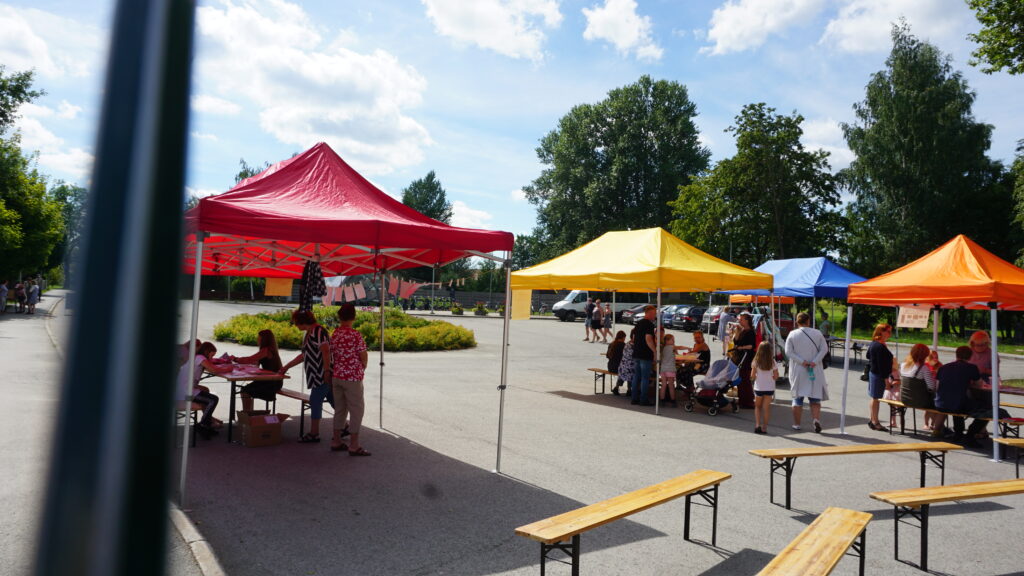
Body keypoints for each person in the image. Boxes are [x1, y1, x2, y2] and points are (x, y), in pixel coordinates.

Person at [280, 309, 336, 443]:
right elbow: (304, 355)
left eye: (296, 322)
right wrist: (286, 367)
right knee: (334, 401)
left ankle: (314, 433)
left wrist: (327, 371)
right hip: (317, 374)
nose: (295, 325)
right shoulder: (310, 333)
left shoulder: (318, 331)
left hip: (321, 374)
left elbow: (326, 351)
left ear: (302, 321)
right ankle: (344, 426)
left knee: (315, 401)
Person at [329, 303, 370, 455]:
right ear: (354, 317)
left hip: (337, 375)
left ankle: (336, 440)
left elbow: (331, 352)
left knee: (340, 409)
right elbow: (363, 355)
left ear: (339, 317)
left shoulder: (335, 334)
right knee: (356, 410)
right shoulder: (355, 335)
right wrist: (362, 367)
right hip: (352, 377)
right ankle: (354, 445)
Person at [935, 346, 989, 447]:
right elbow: (979, 385)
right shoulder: (971, 368)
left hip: (940, 403)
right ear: (970, 356)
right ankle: (970, 435)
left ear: (956, 355)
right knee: (987, 411)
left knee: (957, 401)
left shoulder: (943, 367)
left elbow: (937, 387)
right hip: (957, 404)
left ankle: (958, 433)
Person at [178, 341, 233, 438]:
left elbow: (212, 364)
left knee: (206, 391)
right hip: (185, 392)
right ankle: (203, 425)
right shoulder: (200, 358)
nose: (211, 358)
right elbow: (214, 370)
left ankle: (207, 423)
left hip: (185, 388)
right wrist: (228, 369)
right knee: (213, 399)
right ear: (206, 351)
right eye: (211, 355)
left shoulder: (197, 357)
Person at [785, 312, 828, 432]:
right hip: (814, 369)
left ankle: (797, 424)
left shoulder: (792, 334)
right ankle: (816, 419)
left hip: (798, 370)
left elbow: (788, 352)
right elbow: (824, 349)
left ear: (797, 322)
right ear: (808, 321)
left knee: (797, 399)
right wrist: (814, 361)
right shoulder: (817, 333)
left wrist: (802, 361)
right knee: (815, 398)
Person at [232, 329, 284, 413]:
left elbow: (250, 359)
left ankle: (247, 414)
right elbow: (254, 362)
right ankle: (248, 413)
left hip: (272, 382)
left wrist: (235, 359)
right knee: (246, 390)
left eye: (259, 338)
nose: (257, 340)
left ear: (264, 339)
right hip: (269, 380)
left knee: (245, 391)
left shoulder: (266, 350)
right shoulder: (270, 349)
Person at [898, 343, 942, 434]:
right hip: (919, 401)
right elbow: (932, 387)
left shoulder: (903, 365)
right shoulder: (923, 368)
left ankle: (935, 426)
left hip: (904, 399)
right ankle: (939, 428)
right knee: (941, 403)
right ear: (925, 355)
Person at [866, 323, 896, 432]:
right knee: (876, 399)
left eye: (890, 331)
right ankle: (875, 422)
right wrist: (887, 381)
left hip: (874, 373)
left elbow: (868, 355)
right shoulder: (879, 346)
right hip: (878, 375)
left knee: (874, 398)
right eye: (888, 331)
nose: (890, 334)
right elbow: (881, 366)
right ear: (881, 332)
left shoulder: (875, 343)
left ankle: (872, 420)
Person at [630, 305, 658, 406]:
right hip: (645, 354)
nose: (655, 316)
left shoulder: (639, 323)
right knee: (645, 378)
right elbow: (648, 339)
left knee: (636, 377)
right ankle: (643, 399)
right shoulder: (649, 325)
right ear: (649, 313)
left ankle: (634, 398)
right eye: (654, 314)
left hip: (637, 353)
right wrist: (654, 351)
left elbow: (633, 338)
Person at [752, 341, 778, 434]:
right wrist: (771, 378)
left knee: (758, 407)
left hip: (759, 387)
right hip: (769, 388)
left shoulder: (756, 361)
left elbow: (752, 375)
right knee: (766, 408)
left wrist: (756, 377)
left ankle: (757, 425)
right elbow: (776, 376)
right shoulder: (773, 362)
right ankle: (764, 427)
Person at [733, 312, 757, 409]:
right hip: (740, 358)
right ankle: (742, 399)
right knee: (740, 379)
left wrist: (741, 347)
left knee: (745, 379)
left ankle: (748, 401)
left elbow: (751, 346)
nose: (739, 321)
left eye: (741, 319)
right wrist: (737, 331)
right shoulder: (742, 330)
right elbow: (736, 341)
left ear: (747, 321)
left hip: (746, 358)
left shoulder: (750, 332)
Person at [658, 333, 684, 407]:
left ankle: (662, 400)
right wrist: (688, 348)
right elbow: (680, 348)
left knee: (663, 385)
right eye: (672, 339)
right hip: (670, 369)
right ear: (667, 341)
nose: (674, 341)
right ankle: (673, 401)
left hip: (663, 369)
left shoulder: (663, 348)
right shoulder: (672, 347)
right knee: (671, 385)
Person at [615, 328, 635, 397]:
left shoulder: (627, 343)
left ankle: (616, 387)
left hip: (622, 365)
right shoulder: (633, 345)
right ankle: (629, 390)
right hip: (629, 366)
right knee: (631, 372)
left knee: (623, 374)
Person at [606, 330, 626, 395]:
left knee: (624, 370)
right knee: (628, 371)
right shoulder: (624, 345)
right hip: (618, 368)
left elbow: (607, 356)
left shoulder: (611, 344)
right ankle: (628, 389)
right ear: (623, 337)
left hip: (610, 366)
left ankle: (617, 388)